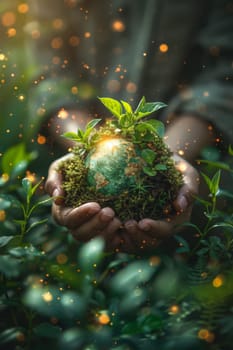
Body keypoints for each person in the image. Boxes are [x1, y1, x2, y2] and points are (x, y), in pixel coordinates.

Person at [24, 0, 233, 253]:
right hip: (78, 224)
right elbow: (50, 70)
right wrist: (85, 150)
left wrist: (168, 160)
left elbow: (225, 74)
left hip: (201, 201)